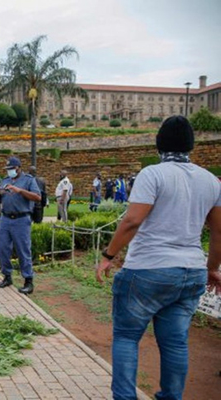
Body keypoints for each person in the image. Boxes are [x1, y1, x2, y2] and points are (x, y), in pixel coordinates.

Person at [96, 116, 221, 400]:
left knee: (127, 337)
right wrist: (212, 268)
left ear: (159, 144)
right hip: (190, 271)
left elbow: (132, 220)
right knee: (176, 343)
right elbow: (218, 233)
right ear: (192, 144)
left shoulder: (153, 174)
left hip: (148, 269)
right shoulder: (211, 181)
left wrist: (108, 256)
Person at [0, 157, 41, 294]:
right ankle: (7, 276)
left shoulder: (28, 180)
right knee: (2, 248)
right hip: (5, 218)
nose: (9, 172)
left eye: (12, 169)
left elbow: (37, 197)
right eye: (8, 169)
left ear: (19, 168)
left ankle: (28, 280)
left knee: (23, 250)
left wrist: (19, 190)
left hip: (21, 218)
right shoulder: (5, 181)